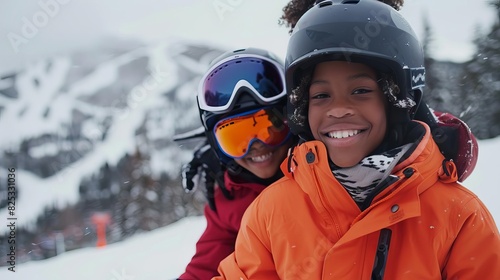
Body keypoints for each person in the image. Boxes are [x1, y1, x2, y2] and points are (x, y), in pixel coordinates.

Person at [214, 1, 500, 279]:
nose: (338, 109)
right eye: (321, 96)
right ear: (302, 109)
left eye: (361, 91)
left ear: (395, 101)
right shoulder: (271, 211)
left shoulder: (458, 216)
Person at [177, 47, 295, 279]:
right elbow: (205, 267)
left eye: (269, 128)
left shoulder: (318, 176)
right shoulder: (229, 196)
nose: (257, 146)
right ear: (216, 145)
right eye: (236, 139)